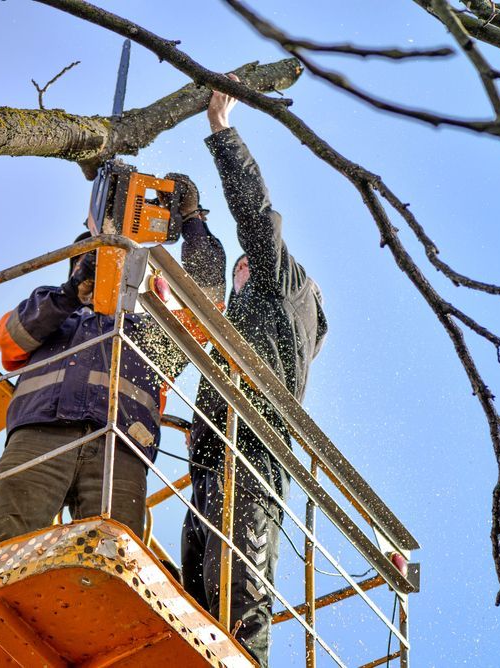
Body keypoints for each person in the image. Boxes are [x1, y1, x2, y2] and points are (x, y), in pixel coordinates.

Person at [0, 181, 225, 552]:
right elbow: (10, 338)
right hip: (42, 432)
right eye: (93, 261)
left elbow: (207, 306)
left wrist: (192, 221)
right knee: (2, 546)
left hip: (119, 444)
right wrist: (71, 294)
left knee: (113, 559)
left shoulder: (152, 332)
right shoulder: (51, 312)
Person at [181, 76, 329, 667]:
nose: (236, 278)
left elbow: (258, 222)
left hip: (253, 453)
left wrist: (222, 132)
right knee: (192, 596)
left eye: (243, 270)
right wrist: (191, 220)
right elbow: (203, 292)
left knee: (238, 598)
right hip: (213, 454)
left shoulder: (285, 287)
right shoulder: (247, 316)